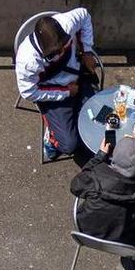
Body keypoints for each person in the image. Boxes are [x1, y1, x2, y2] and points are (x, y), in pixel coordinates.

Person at [16, 8, 101, 162]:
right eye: (55, 53)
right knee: (69, 145)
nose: (61, 53)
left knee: (98, 119)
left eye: (63, 47)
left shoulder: (67, 23)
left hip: (78, 76)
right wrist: (66, 92)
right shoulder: (28, 61)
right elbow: (28, 92)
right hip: (53, 91)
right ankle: (51, 139)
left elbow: (85, 15)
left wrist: (87, 51)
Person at [68, 118, 135, 244]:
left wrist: (99, 156)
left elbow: (75, 187)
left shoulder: (96, 176)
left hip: (86, 231)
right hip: (123, 240)